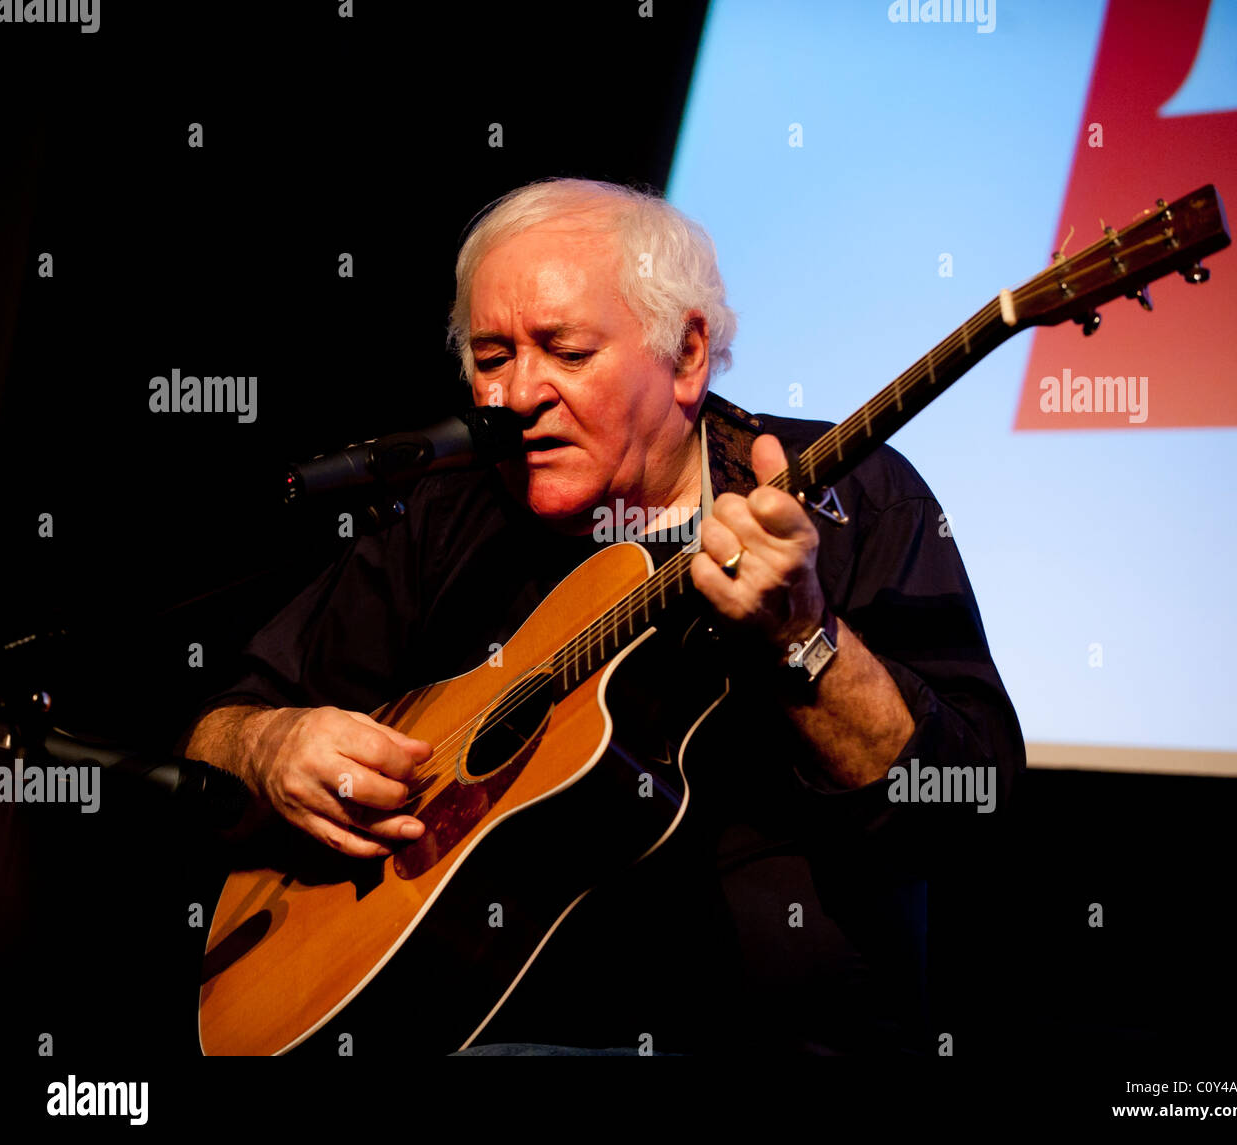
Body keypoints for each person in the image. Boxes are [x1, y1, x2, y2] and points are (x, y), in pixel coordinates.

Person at [183, 177, 1026, 1056]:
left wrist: (802, 638)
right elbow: (215, 735)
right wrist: (270, 749)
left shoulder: (848, 496)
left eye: (566, 350)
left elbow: (969, 811)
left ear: (688, 354)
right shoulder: (446, 519)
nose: (516, 396)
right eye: (492, 355)